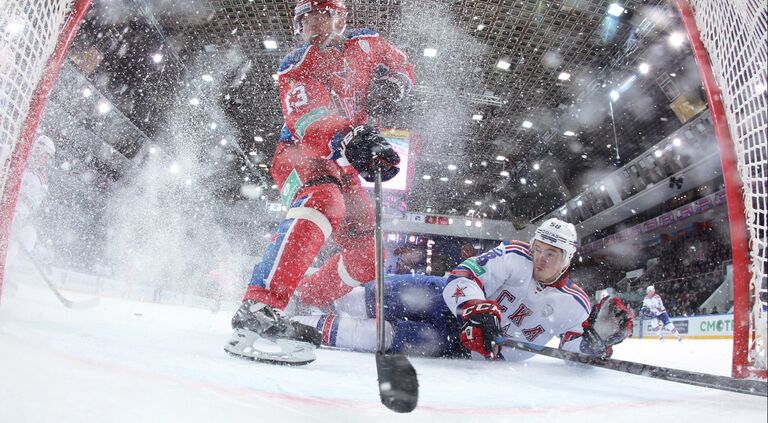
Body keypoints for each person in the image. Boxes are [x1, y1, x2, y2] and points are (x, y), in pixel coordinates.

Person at [224, 0, 415, 365]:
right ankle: (258, 306)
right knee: (323, 201)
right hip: (300, 155)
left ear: (341, 17)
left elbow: (403, 63)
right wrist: (351, 137)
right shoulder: (296, 67)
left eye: (322, 15)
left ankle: (306, 296)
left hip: (342, 162)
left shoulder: (369, 43)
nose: (314, 24)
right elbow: (308, 123)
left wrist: (394, 83)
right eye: (305, 18)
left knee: (369, 252)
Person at [288, 218, 634, 361]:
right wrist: (474, 307)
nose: (540, 258)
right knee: (389, 293)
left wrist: (598, 342)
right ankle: (299, 297)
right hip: (449, 302)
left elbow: (576, 346)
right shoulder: (516, 255)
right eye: (539, 247)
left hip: (470, 346)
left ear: (567, 258)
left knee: (388, 337)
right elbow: (463, 275)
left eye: (552, 253)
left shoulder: (575, 304)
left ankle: (304, 328)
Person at [7, 134, 55, 264]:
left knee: (30, 234)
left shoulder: (41, 179)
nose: (43, 159)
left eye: (46, 157)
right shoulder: (17, 159)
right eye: (41, 153)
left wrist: (16, 217)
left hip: (14, 217)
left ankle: (6, 265)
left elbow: (31, 205)